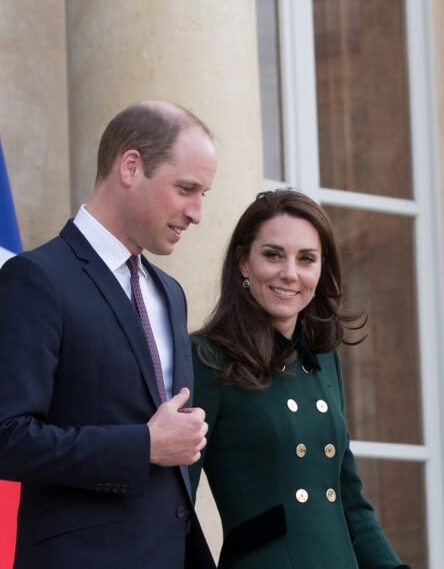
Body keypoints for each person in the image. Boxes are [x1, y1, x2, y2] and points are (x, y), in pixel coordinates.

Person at [0, 101, 218, 569]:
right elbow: (7, 438)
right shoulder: (35, 279)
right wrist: (143, 445)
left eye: (204, 194)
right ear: (131, 166)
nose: (197, 213)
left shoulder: (171, 294)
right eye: (186, 189)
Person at [189, 189, 411, 568]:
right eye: (273, 255)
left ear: (321, 269)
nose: (289, 273)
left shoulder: (323, 359)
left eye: (306, 259)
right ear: (244, 263)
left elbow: (350, 502)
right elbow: (175, 506)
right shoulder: (206, 358)